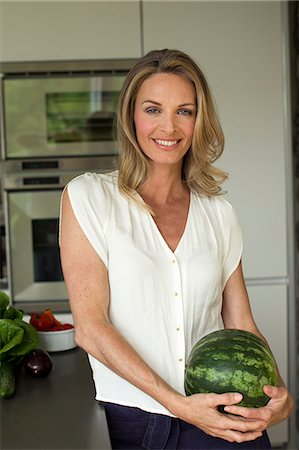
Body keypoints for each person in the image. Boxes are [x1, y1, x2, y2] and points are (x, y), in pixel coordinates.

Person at [59, 49, 294, 450]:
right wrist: (179, 405)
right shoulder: (88, 197)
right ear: (131, 116)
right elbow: (92, 329)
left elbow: (241, 324)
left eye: (184, 111)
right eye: (153, 109)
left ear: (199, 121)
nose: (169, 126)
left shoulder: (219, 213)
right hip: (137, 418)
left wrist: (279, 393)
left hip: (225, 416)